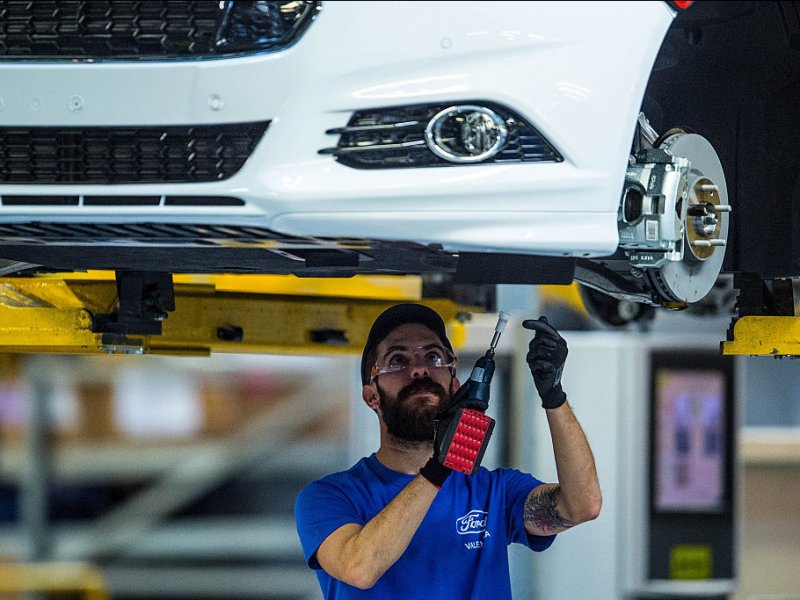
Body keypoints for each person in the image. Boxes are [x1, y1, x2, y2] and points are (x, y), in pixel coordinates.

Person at [295, 303, 601, 599]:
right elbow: (360, 568)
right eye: (398, 360)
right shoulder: (328, 497)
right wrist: (439, 467)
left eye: (433, 356)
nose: (419, 369)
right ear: (371, 396)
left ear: (456, 385)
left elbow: (582, 506)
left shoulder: (494, 491)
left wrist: (553, 395)